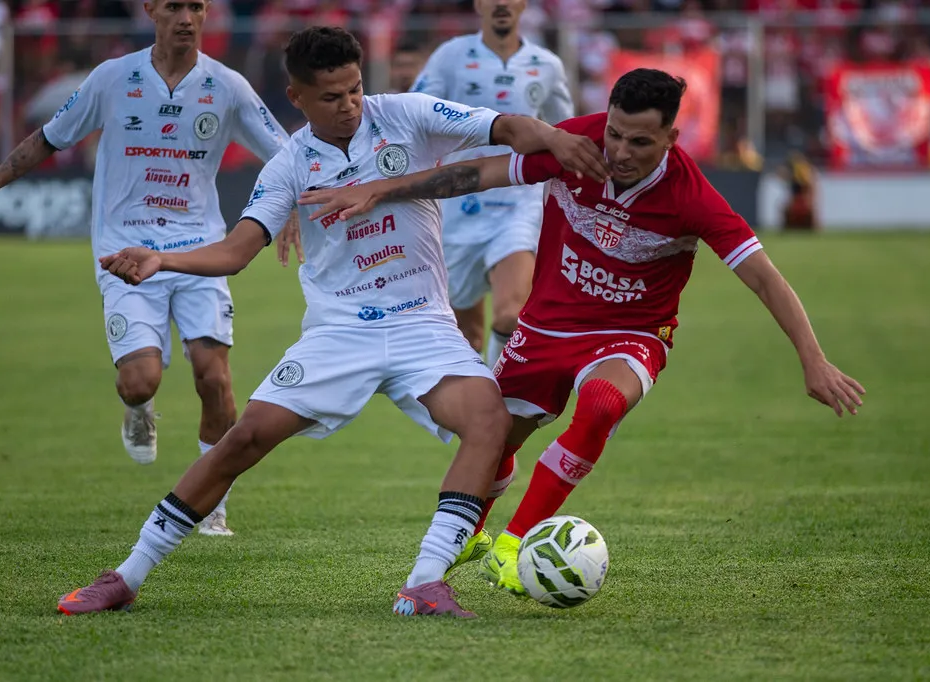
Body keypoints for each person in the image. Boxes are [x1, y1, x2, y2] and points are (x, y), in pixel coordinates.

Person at [55, 26, 610, 619]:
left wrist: (555, 138)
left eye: (354, 90)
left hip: (423, 324)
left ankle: (424, 584)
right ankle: (128, 573)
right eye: (331, 97)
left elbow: (506, 129)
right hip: (340, 332)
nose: (349, 105)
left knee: (488, 421)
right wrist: (163, 258)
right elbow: (237, 251)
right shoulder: (290, 164)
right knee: (243, 439)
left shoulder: (408, 115)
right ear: (296, 97)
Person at [297, 68, 867, 594]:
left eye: (639, 142)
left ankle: (514, 543)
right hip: (546, 326)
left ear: (671, 138)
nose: (618, 151)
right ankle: (473, 531)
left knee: (598, 404)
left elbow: (765, 279)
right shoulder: (578, 145)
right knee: (494, 438)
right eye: (615, 133)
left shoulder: (691, 196)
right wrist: (379, 189)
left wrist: (813, 360)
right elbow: (478, 174)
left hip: (632, 331)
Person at [0, 0, 287, 537]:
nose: (186, 17)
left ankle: (213, 503)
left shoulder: (227, 85)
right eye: (174, 6)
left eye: (197, 7)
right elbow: (50, 137)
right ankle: (140, 408)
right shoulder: (112, 79)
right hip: (125, 252)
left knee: (215, 378)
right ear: (150, 9)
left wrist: (288, 207)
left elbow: (286, 153)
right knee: (138, 381)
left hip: (198, 250)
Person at [411, 0, 574, 365]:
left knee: (510, 315)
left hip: (518, 207)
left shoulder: (546, 66)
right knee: (465, 337)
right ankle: (471, 413)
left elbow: (567, 133)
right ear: (479, 5)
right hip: (456, 209)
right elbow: (415, 113)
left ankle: (498, 401)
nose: (501, 3)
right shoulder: (450, 56)